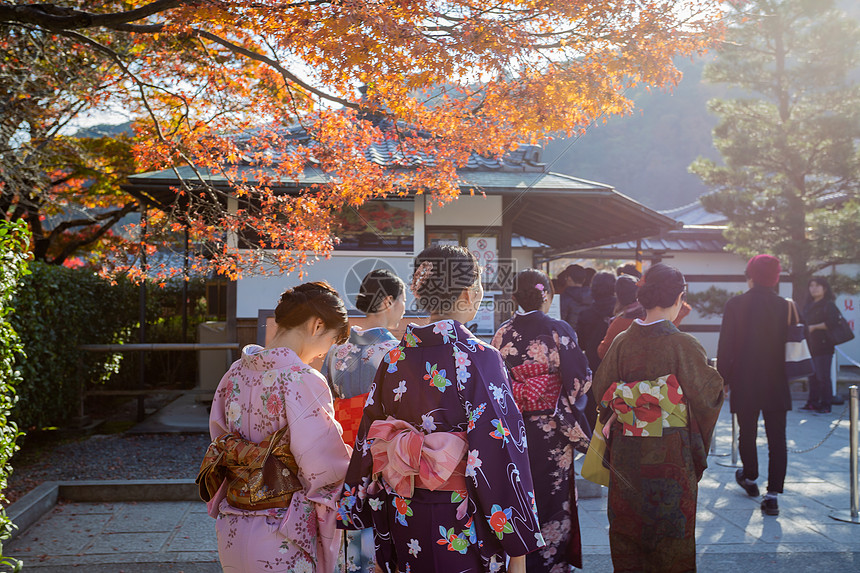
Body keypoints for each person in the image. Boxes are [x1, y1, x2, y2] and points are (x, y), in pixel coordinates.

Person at [338, 245, 545, 573]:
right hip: (461, 519)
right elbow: (500, 450)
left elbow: (369, 443)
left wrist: (361, 513)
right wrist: (517, 547)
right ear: (468, 293)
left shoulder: (394, 358)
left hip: (403, 514)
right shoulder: (478, 356)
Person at [200, 281, 353, 572]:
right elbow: (323, 468)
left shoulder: (234, 372)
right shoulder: (302, 378)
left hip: (232, 524)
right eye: (330, 342)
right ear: (317, 325)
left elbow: (220, 440)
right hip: (281, 533)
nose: (324, 353)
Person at [593, 263, 724, 572]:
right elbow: (709, 397)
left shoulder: (622, 341)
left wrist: (626, 402)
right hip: (671, 458)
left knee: (627, 531)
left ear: (644, 296)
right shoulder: (684, 345)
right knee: (671, 537)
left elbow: (601, 389)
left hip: (627, 454)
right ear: (680, 297)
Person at [491, 269, 591, 572]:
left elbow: (495, 386)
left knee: (518, 492)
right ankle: (552, 564)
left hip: (514, 429)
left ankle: (520, 562)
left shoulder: (502, 334)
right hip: (553, 431)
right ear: (546, 295)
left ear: (513, 298)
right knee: (553, 495)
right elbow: (580, 382)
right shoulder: (558, 329)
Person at [320, 269, 406, 573]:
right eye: (401, 301)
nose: (403, 309)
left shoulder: (335, 350)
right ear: (387, 301)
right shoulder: (395, 351)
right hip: (382, 455)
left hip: (341, 451)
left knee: (350, 537)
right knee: (383, 533)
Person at [717, 254, 789, 516]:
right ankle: (772, 496)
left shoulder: (735, 304)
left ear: (750, 275)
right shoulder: (785, 305)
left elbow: (725, 346)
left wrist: (723, 378)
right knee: (777, 438)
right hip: (777, 379)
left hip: (745, 379)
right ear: (775, 277)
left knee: (747, 431)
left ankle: (749, 476)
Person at [598, 273, 691, 361]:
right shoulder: (654, 316)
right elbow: (684, 310)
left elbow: (603, 352)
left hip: (628, 375)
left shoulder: (618, 323)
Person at [576, 271, 616, 430]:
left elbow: (582, 344)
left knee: (594, 413)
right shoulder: (621, 313)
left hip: (594, 368)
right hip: (616, 369)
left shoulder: (586, 314)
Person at [801, 276, 840, 414]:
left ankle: (826, 404)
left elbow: (832, 322)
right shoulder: (808, 305)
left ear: (824, 288)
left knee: (823, 377)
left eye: (817, 286)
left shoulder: (828, 304)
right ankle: (812, 402)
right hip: (811, 346)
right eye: (811, 286)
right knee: (812, 376)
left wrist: (814, 327)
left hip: (824, 346)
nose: (814, 288)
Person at [558, 264, 593, 330]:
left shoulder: (563, 298)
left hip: (569, 335)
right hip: (589, 335)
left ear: (569, 278)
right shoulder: (593, 297)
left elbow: (560, 321)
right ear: (584, 279)